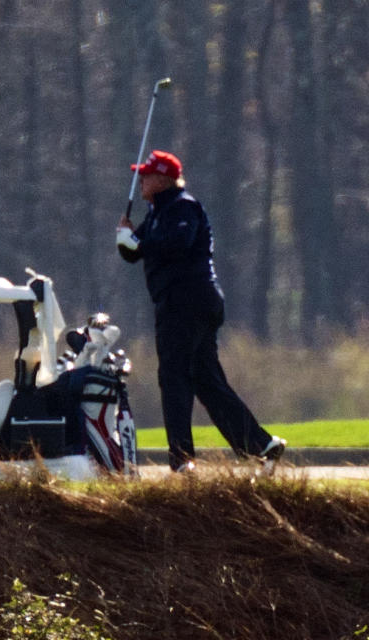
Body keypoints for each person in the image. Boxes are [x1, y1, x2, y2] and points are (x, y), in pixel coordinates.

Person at [115, 150, 286, 473]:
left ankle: (181, 461)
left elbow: (176, 243)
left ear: (164, 179)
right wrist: (125, 237)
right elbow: (134, 253)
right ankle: (261, 446)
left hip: (187, 303)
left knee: (174, 377)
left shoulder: (183, 206)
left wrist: (137, 242)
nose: (141, 180)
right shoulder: (157, 213)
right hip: (186, 304)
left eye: (146, 175)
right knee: (206, 381)